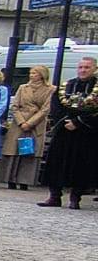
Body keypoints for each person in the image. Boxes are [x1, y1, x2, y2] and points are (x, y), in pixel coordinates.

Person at [39, 55, 98, 209]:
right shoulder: (68, 85)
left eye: (87, 67)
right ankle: (54, 196)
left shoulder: (96, 88)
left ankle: (75, 198)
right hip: (64, 131)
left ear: (94, 69)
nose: (83, 70)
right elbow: (56, 106)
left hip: (86, 133)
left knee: (81, 166)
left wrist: (78, 122)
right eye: (81, 67)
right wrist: (66, 121)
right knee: (56, 163)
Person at [1, 64, 51, 190]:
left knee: (30, 151)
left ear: (42, 75)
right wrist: (21, 121)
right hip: (19, 122)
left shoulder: (51, 89)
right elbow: (15, 106)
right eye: (31, 73)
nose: (32, 76)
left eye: (35, 73)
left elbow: (45, 109)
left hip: (36, 123)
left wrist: (30, 123)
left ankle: (25, 180)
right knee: (14, 149)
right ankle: (10, 179)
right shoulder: (23, 88)